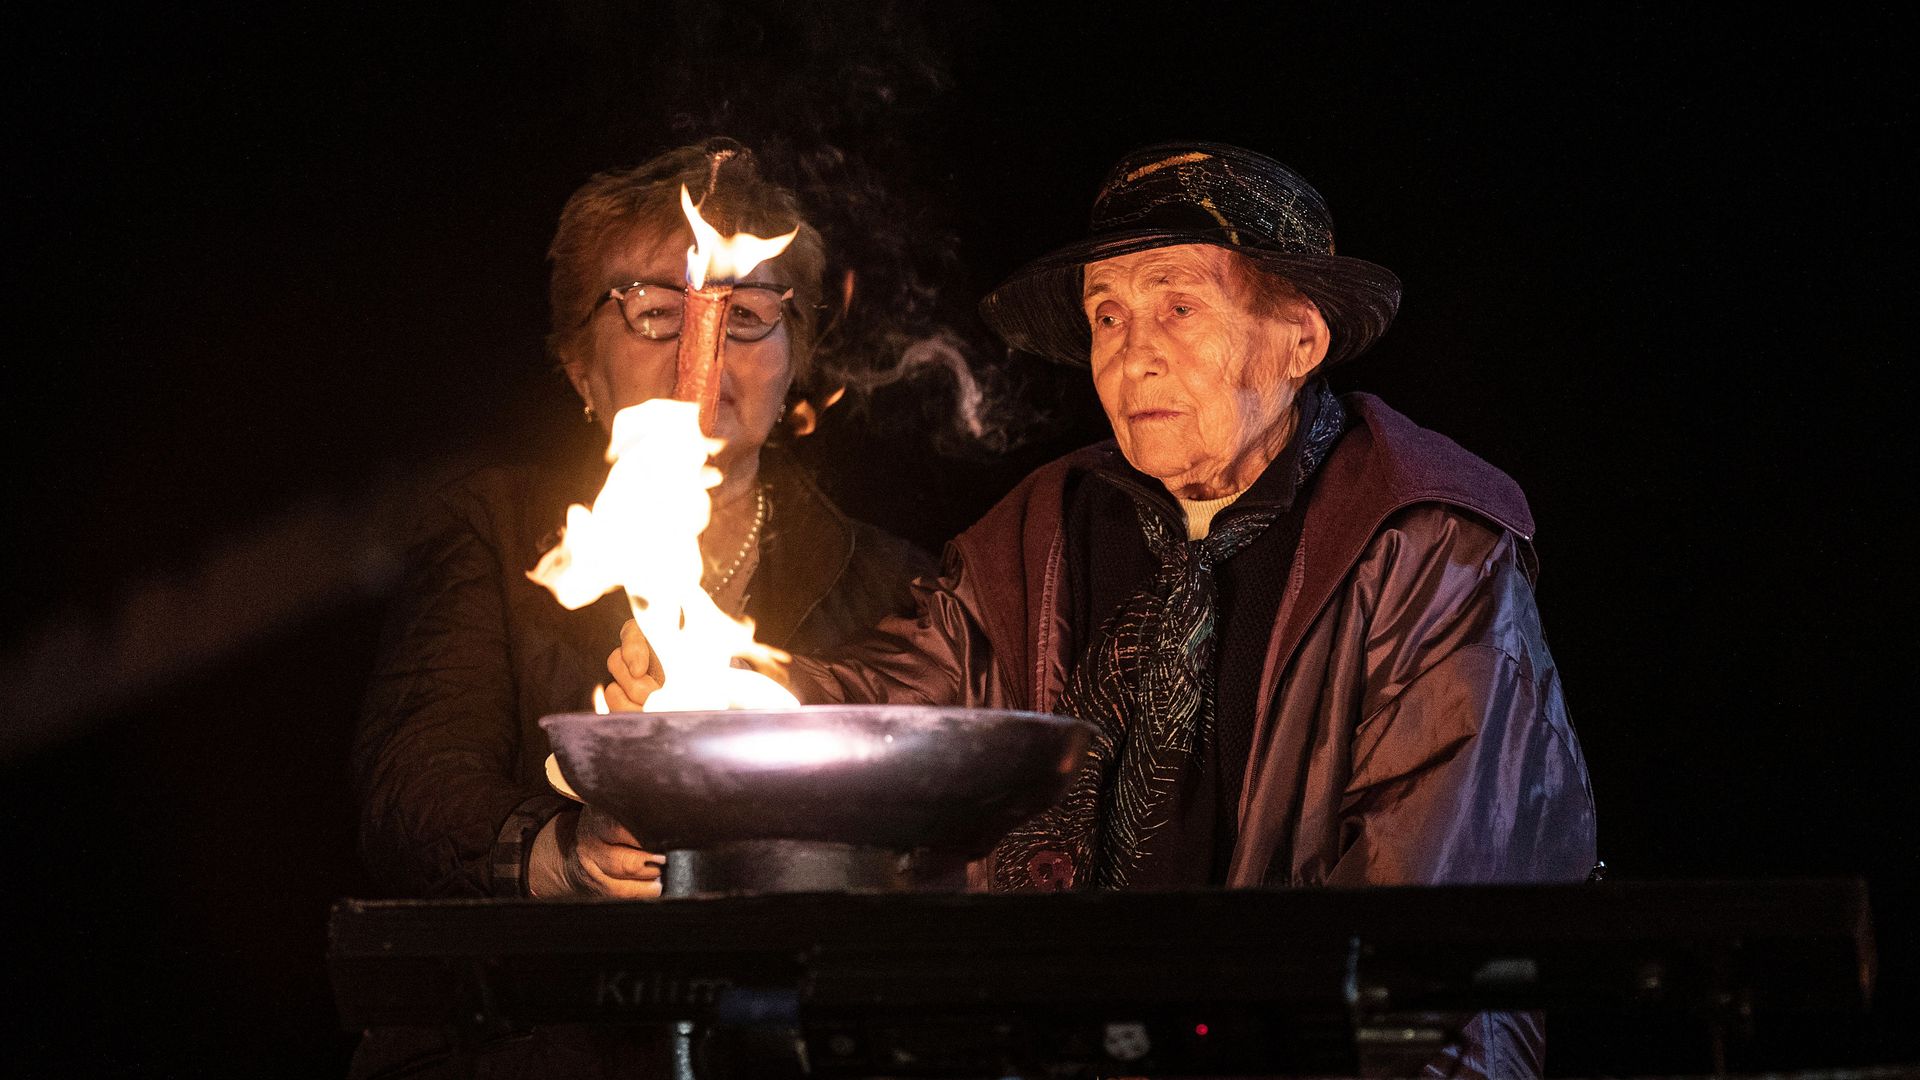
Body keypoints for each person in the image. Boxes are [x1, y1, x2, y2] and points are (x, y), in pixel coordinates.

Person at [607, 141, 1598, 1076]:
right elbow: (887, 706)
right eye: (1108, 317)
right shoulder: (1042, 528)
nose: (1133, 356)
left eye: (1177, 309)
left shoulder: (1422, 538)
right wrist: (715, 685)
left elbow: (1428, 914)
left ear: (1300, 337)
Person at [351, 139, 937, 901]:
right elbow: (412, 790)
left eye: (749, 315)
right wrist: (567, 853)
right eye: (657, 313)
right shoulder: (492, 530)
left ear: (797, 361)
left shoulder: (899, 584)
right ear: (580, 366)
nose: (705, 353)